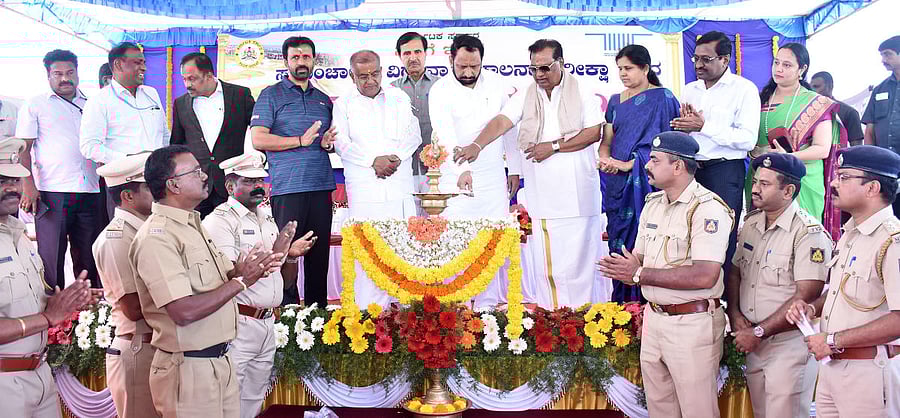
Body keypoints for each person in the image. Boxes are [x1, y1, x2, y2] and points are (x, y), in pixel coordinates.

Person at [129, 144, 289, 417]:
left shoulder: (193, 225)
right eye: (195, 172)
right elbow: (183, 311)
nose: (204, 176)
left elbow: (224, 275)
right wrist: (241, 281)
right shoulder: (158, 236)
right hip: (190, 369)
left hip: (219, 359)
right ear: (173, 185)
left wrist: (251, 266)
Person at [597, 131, 733, 418]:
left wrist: (638, 273)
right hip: (655, 320)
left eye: (655, 160)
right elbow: (640, 259)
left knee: (698, 411)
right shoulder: (653, 204)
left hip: (692, 324)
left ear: (678, 166)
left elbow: (705, 276)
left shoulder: (708, 209)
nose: (647, 165)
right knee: (660, 409)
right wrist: (622, 267)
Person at [462, 39, 605, 309]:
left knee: (583, 266)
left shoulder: (583, 90)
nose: (539, 74)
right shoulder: (527, 94)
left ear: (562, 63)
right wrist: (477, 144)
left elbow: (593, 133)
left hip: (579, 196)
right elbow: (502, 121)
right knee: (549, 269)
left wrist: (552, 147)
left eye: (545, 68)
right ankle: (554, 322)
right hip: (545, 197)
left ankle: (586, 323)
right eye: (534, 69)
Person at [786, 145, 900, 418]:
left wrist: (834, 340)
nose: (834, 182)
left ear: (872, 188)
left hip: (869, 372)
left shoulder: (892, 241)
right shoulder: (851, 234)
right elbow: (843, 291)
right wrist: (813, 308)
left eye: (845, 176)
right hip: (833, 368)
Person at [202, 153, 315, 418]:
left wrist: (290, 256)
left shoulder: (266, 216)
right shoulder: (221, 220)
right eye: (249, 181)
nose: (259, 187)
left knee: (254, 396)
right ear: (230, 187)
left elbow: (284, 282)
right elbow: (228, 276)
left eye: (262, 181)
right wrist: (274, 254)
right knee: (228, 398)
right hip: (238, 322)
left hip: (266, 322)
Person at [0, 137, 98, 418]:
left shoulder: (19, 235)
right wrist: (47, 319)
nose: (12, 188)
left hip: (40, 375)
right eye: (1, 180)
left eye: (16, 180)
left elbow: (34, 302)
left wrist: (68, 302)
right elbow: (44, 317)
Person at [728, 153, 830, 418]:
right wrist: (736, 315)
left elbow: (805, 297)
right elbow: (736, 272)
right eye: (755, 182)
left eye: (764, 184)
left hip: (787, 344)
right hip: (753, 340)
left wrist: (759, 331)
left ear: (788, 191)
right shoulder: (751, 223)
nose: (755, 189)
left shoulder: (808, 233)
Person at [250, 36, 337, 307]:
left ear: (314, 60)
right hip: (288, 188)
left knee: (318, 256)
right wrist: (299, 141)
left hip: (321, 186)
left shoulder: (323, 99)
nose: (301, 61)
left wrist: (326, 144)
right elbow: (259, 139)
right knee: (285, 254)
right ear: (286, 61)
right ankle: (286, 318)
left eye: (306, 57)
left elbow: (327, 142)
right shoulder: (270, 95)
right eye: (296, 57)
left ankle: (317, 318)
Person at [672, 31, 760, 295]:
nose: (698, 65)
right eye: (695, 59)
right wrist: (683, 129)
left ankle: (724, 302)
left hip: (724, 171)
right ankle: (695, 295)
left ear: (725, 59)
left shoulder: (744, 90)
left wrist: (704, 125)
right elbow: (689, 131)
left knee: (722, 236)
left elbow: (747, 139)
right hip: (691, 171)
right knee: (689, 232)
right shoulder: (690, 89)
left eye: (706, 59)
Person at [331, 50, 421, 306]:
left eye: (374, 74)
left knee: (402, 248)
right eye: (363, 76)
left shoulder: (399, 98)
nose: (370, 80)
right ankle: (370, 313)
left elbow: (413, 135)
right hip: (365, 190)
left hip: (398, 188)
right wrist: (373, 161)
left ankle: (404, 310)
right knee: (368, 251)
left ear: (382, 71)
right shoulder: (343, 104)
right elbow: (340, 142)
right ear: (352, 76)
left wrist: (396, 158)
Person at [598, 44, 680, 303]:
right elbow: (606, 141)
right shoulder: (614, 101)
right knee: (619, 243)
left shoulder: (663, 99)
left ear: (645, 68)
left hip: (646, 184)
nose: (623, 74)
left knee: (647, 242)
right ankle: (622, 308)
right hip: (616, 185)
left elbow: (668, 146)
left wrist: (629, 164)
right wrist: (604, 159)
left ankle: (648, 307)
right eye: (620, 68)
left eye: (629, 68)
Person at [16, 49, 103, 289]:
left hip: (91, 189)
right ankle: (54, 318)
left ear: (77, 72)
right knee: (51, 257)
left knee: (89, 255)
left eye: (69, 72)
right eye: (58, 74)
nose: (65, 78)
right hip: (51, 191)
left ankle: (90, 315)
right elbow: (24, 150)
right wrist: (28, 186)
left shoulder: (92, 103)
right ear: (48, 76)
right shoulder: (35, 104)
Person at [752, 43, 848, 239]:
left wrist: (787, 158)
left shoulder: (816, 103)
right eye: (776, 63)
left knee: (802, 238)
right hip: (762, 176)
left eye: (787, 65)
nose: (778, 69)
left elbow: (822, 149)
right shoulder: (759, 100)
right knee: (760, 238)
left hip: (802, 179)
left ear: (802, 70)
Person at [92, 152, 158, 418]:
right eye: (149, 187)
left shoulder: (150, 229)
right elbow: (132, 307)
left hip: (156, 343)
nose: (158, 191)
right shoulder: (116, 238)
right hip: (138, 347)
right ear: (127, 196)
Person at [80, 42, 170, 218]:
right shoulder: (99, 100)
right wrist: (128, 161)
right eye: (137, 63)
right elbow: (89, 146)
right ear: (118, 65)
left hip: (156, 178)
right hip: (124, 182)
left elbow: (164, 134)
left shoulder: (151, 93)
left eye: (143, 62)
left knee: (158, 235)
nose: (143, 67)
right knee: (127, 237)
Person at [172, 52, 256, 218]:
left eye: (192, 78)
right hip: (196, 185)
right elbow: (177, 144)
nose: (187, 84)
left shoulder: (240, 95)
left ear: (209, 75)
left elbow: (259, 130)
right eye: (184, 79)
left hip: (231, 182)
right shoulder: (181, 103)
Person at [391, 32, 440, 191]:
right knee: (408, 213)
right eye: (407, 53)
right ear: (399, 56)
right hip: (403, 167)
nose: (413, 58)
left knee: (436, 213)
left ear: (426, 53)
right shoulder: (392, 89)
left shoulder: (441, 87)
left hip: (437, 167)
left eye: (417, 52)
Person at [862, 36, 900, 218]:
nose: (883, 60)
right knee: (889, 219)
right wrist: (872, 163)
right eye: (882, 55)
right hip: (887, 170)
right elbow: (870, 129)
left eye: (888, 54)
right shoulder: (879, 89)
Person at [811, 71, 865, 145]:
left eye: (816, 87)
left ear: (830, 86)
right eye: (811, 89)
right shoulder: (807, 112)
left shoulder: (849, 112)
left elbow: (857, 148)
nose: (813, 91)